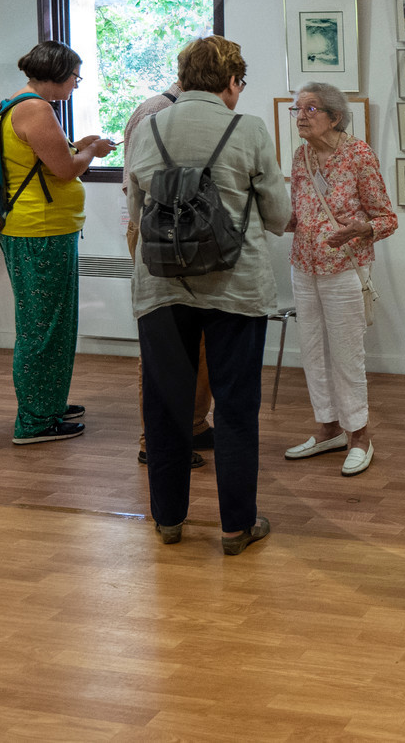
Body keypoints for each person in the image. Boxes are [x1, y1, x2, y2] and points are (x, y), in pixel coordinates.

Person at [127, 36, 289, 555]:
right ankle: (236, 527)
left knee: (165, 405)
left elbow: (136, 213)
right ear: (231, 81)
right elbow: (279, 216)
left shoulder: (147, 125)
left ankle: (169, 520)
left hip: (161, 284)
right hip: (235, 286)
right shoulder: (248, 128)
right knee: (236, 408)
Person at [0, 41, 116, 445]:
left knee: (52, 322)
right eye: (75, 78)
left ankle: (47, 403)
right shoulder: (36, 108)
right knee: (42, 327)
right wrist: (92, 152)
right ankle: (34, 421)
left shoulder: (17, 104)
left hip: (38, 230)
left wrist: (79, 146)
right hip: (39, 232)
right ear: (59, 73)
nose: (76, 85)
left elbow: (43, 162)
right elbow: (65, 171)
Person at [283, 82, 397, 477]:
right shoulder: (301, 157)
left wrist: (357, 230)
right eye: (297, 109)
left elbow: (386, 218)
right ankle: (328, 427)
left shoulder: (358, 154)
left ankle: (360, 435)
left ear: (334, 116)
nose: (300, 116)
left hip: (345, 268)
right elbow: (299, 215)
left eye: (310, 109)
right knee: (312, 350)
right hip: (303, 265)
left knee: (347, 354)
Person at [121, 79, 211, 470]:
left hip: (184, 228)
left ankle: (193, 424)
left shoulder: (181, 110)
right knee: (163, 337)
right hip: (160, 228)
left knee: (201, 334)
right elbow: (140, 188)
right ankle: (153, 438)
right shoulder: (157, 111)